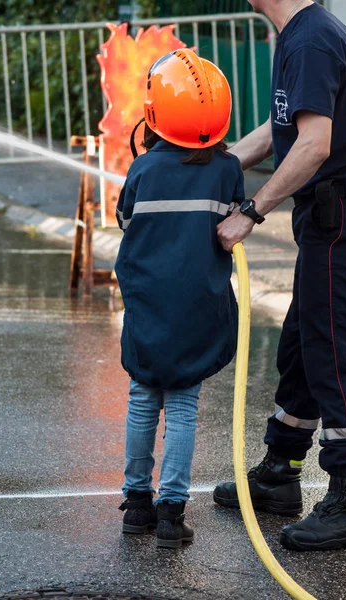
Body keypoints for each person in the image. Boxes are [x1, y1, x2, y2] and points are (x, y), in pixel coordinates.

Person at [213, 0, 346, 551]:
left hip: (341, 211)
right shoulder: (303, 32)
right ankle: (281, 471)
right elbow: (283, 128)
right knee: (300, 341)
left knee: (330, 345)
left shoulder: (310, 38)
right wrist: (217, 166)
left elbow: (314, 144)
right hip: (332, 213)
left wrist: (252, 210)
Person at [114, 49, 243, 549]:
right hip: (198, 306)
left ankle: (136, 505)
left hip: (149, 305)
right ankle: (172, 513)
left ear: (155, 113)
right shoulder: (227, 169)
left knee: (142, 399)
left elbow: (127, 223)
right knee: (184, 406)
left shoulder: (143, 170)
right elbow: (232, 225)